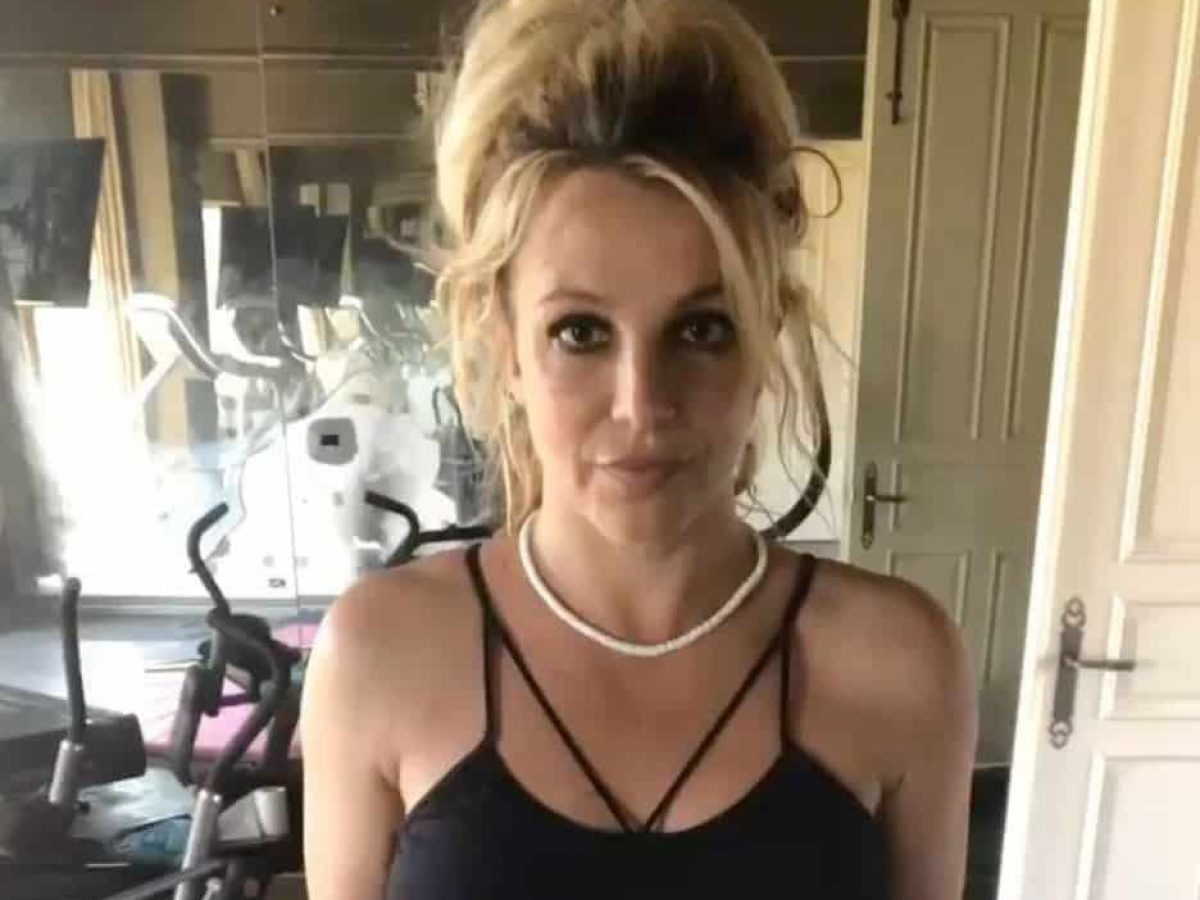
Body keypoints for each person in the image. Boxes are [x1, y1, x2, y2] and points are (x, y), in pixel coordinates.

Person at [300, 1, 977, 897]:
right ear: (505, 346)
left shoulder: (899, 663)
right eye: (580, 332)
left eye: (701, 329)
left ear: (765, 338)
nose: (642, 406)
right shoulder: (379, 653)